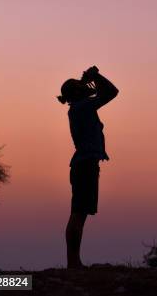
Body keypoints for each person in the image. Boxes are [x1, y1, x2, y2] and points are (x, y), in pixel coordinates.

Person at [57, 66, 119, 269]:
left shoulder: (79, 108)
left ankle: (74, 262)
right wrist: (95, 76)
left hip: (84, 164)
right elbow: (112, 92)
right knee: (78, 213)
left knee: (80, 212)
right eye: (79, 86)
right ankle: (73, 263)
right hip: (85, 165)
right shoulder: (83, 107)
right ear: (75, 93)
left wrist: (88, 80)